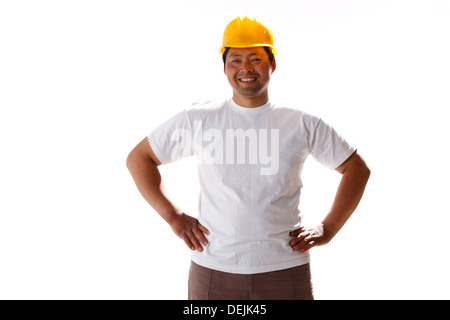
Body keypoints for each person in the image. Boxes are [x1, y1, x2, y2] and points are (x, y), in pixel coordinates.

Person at [126, 16, 370, 300]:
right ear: (225, 68)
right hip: (213, 270)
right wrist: (173, 215)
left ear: (273, 64)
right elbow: (139, 158)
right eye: (236, 60)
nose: (246, 68)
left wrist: (328, 228)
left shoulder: (301, 122)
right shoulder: (198, 119)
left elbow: (356, 169)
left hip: (284, 269)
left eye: (256, 58)